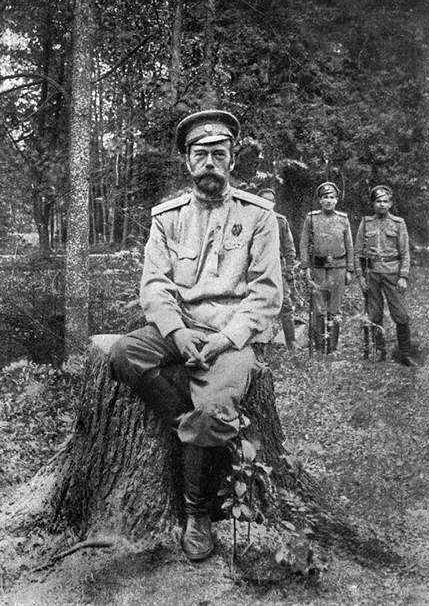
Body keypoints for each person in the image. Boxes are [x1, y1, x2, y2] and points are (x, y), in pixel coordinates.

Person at [108, 110, 283, 561]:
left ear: (232, 160)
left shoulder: (258, 217)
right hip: (180, 327)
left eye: (218, 154)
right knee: (125, 353)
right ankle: (191, 427)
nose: (209, 163)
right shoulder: (168, 218)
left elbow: (266, 293)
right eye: (200, 154)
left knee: (213, 410)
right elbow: (155, 285)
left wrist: (226, 339)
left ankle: (197, 513)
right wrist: (177, 331)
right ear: (187, 161)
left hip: (232, 335)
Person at [354, 185, 417, 367]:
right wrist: (361, 278)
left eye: (385, 201)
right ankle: (379, 351)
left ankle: (405, 354)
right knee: (375, 315)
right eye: (378, 201)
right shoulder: (366, 223)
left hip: (392, 274)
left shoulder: (398, 223)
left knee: (401, 315)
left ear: (390, 204)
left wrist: (403, 276)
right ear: (373, 204)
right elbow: (357, 253)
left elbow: (405, 253)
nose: (381, 204)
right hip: (372, 275)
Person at [299, 181, 354, 353]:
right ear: (320, 200)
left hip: (339, 268)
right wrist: (305, 266)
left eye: (332, 197)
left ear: (336, 200)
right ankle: (320, 346)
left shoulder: (343, 219)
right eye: (325, 197)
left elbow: (349, 245)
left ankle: (332, 347)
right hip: (318, 268)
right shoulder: (312, 218)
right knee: (319, 308)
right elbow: (303, 243)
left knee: (335, 308)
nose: (329, 200)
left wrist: (350, 269)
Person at [258, 188, 297, 350]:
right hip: (259, 268)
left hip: (278, 267)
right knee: (259, 304)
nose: (267, 203)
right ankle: (260, 341)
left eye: (271, 201)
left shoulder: (281, 221)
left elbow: (289, 248)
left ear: (274, 203)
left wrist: (289, 269)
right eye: (264, 200)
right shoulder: (252, 220)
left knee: (286, 303)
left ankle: (291, 341)